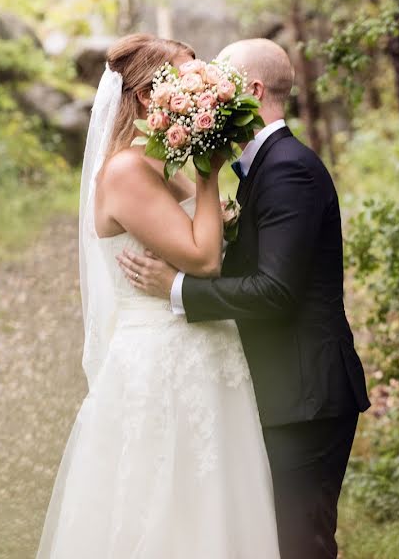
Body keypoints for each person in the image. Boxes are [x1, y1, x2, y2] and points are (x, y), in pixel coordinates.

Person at [117, 38, 371, 559]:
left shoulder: (288, 169)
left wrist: (177, 289)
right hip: (285, 393)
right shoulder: (264, 168)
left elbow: (275, 292)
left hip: (307, 397)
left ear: (252, 92)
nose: (208, 93)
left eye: (218, 84)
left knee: (301, 545)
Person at [34, 33, 280, 559]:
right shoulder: (125, 172)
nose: (203, 84)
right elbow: (204, 257)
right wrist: (211, 177)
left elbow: (215, 234)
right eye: (190, 75)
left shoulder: (159, 165)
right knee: (159, 508)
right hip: (162, 359)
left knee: (214, 507)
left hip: (203, 347)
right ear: (149, 97)